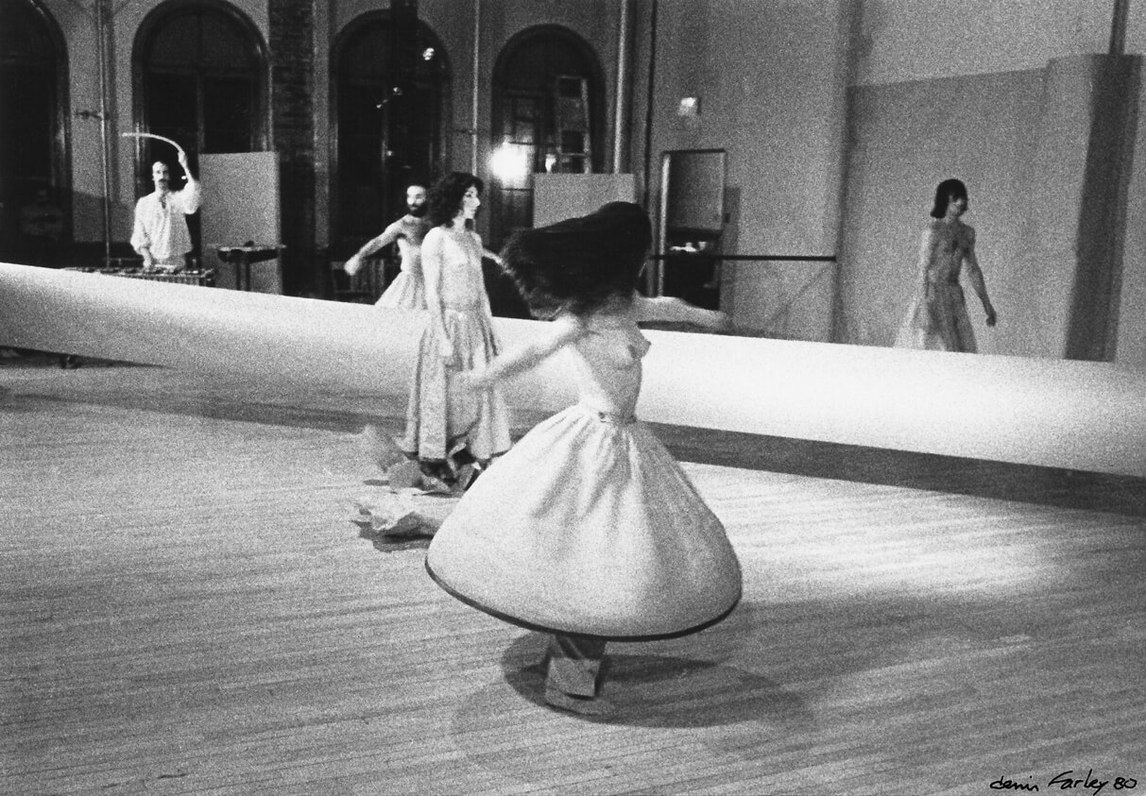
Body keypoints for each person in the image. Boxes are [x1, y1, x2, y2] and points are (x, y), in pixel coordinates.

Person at [425, 202, 742, 715]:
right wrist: (484, 377)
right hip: (592, 439)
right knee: (589, 556)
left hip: (625, 437)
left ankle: (575, 666)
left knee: (608, 559)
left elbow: (668, 306)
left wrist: (710, 316)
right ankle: (567, 681)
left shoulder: (623, 303)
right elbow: (535, 351)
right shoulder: (582, 315)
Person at [396, 172, 511, 485]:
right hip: (447, 324)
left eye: (477, 195)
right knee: (444, 394)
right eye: (470, 195)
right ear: (455, 198)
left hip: (474, 326)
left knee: (477, 392)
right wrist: (443, 339)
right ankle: (438, 456)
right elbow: (432, 291)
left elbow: (481, 290)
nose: (476, 202)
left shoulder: (473, 239)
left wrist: (491, 329)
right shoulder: (436, 238)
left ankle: (471, 453)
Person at [895, 178, 997, 352]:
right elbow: (923, 271)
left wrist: (986, 303)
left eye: (963, 197)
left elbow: (973, 269)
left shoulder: (967, 233)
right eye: (956, 197)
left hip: (953, 296)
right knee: (931, 347)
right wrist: (925, 307)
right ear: (946, 199)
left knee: (959, 349)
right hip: (932, 296)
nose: (961, 202)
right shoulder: (932, 232)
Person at [344, 183, 432, 308]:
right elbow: (378, 241)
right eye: (409, 197)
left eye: (418, 197)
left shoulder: (435, 223)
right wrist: (358, 256)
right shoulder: (402, 225)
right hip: (410, 283)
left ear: (427, 198)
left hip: (433, 280)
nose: (412, 202)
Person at [130, 148, 200, 273]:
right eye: (158, 172)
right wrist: (147, 258)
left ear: (169, 175)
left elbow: (194, 191)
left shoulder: (178, 199)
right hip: (154, 259)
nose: (162, 176)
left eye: (165, 172)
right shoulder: (144, 203)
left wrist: (185, 166)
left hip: (177, 259)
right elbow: (139, 234)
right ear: (152, 176)